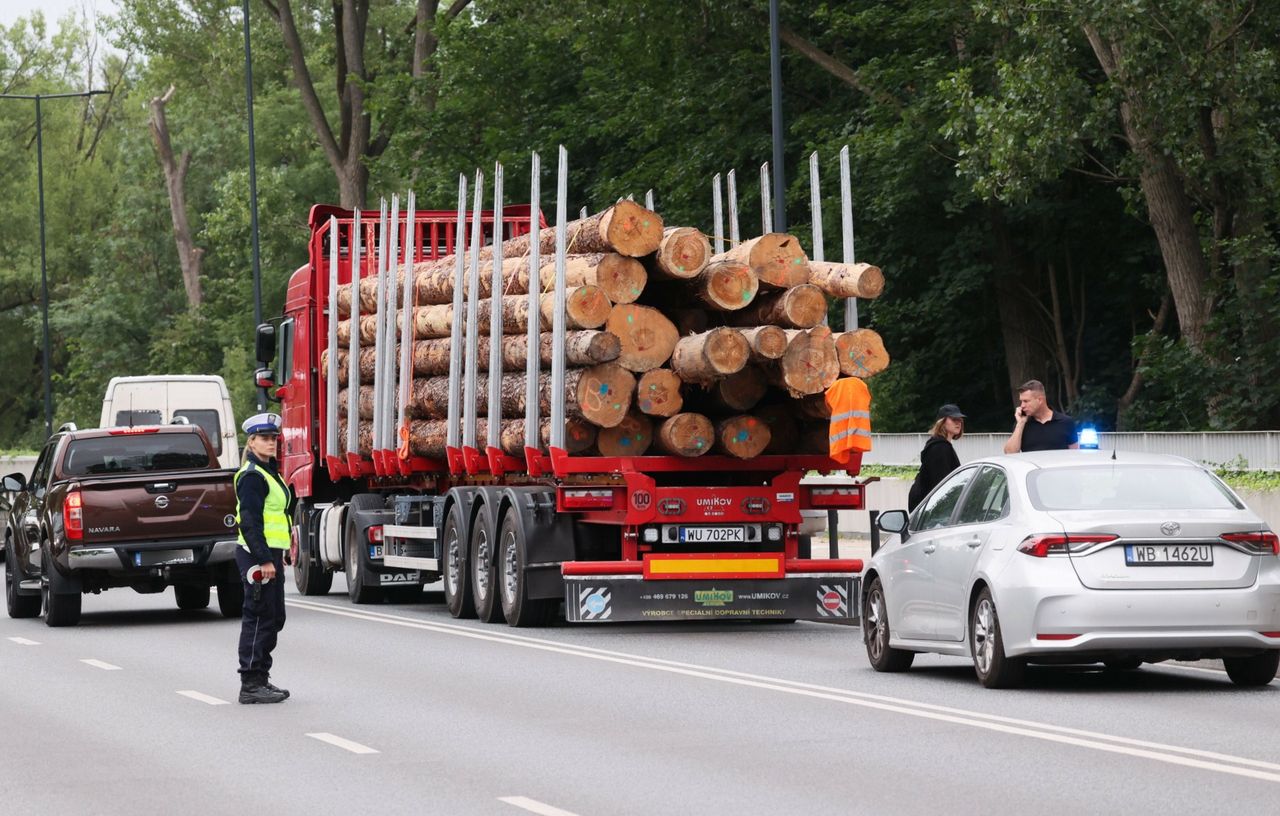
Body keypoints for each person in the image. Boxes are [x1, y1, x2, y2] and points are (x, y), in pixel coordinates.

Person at [234, 412, 293, 704]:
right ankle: (251, 682)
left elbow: (278, 517)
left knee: (273, 617)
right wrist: (264, 559)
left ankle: (261, 679)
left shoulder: (270, 472)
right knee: (258, 617)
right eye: (264, 439)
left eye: (273, 438)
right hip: (256, 556)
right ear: (252, 441)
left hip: (270, 554)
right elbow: (249, 522)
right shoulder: (252, 476)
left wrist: (280, 553)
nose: (271, 443)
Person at [908, 404, 965, 511]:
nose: (958, 422)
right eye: (954, 419)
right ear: (942, 422)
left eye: (960, 419)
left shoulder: (941, 445)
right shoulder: (940, 448)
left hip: (926, 505)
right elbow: (941, 484)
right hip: (926, 508)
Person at [1003, 379, 1079, 453]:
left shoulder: (1066, 422)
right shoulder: (1022, 424)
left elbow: (1075, 455)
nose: (1022, 406)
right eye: (1021, 401)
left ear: (1040, 400)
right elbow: (1010, 453)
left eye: (1026, 401)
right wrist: (1020, 423)